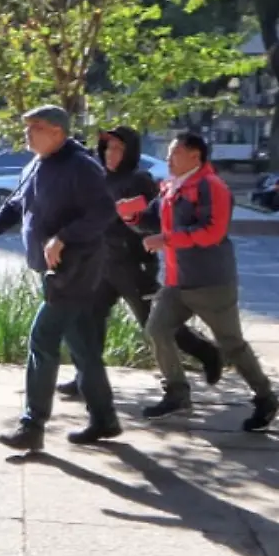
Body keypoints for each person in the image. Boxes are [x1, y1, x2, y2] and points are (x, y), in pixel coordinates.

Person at [0, 106, 119, 452]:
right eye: (27, 127)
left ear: (58, 133)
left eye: (36, 128)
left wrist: (64, 237)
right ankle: (105, 419)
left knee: (42, 340)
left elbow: (104, 212)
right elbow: (17, 206)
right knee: (83, 347)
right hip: (52, 269)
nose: (28, 134)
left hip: (76, 269)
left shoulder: (81, 166)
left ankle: (33, 425)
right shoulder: (36, 164)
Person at [122, 132, 279, 433]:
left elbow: (212, 232)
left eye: (174, 153)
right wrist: (131, 216)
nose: (168, 160)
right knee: (156, 330)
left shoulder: (213, 187)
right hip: (176, 282)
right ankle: (177, 392)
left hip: (211, 283)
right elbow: (152, 220)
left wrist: (166, 239)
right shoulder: (172, 187)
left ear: (195, 156)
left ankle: (265, 397)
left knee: (232, 344)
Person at [59, 127, 221, 403]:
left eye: (118, 149)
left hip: (135, 268)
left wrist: (129, 216)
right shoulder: (99, 179)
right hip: (102, 266)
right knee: (89, 321)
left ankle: (207, 352)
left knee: (155, 324)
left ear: (130, 151)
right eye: (108, 148)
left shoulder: (140, 180)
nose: (111, 154)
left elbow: (153, 222)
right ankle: (85, 377)